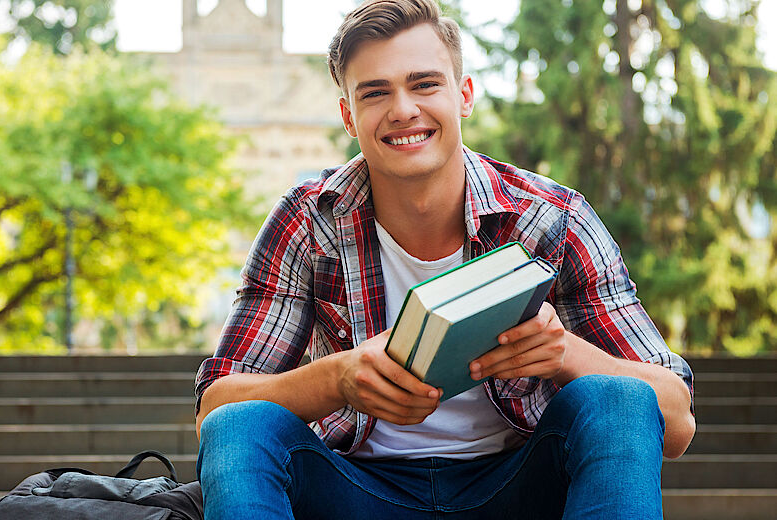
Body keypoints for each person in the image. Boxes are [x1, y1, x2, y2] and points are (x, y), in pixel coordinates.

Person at [194, 0, 695, 518]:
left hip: (519, 487)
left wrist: (563, 353)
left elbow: (675, 420)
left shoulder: (552, 218)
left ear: (464, 95)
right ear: (349, 116)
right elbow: (217, 409)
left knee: (619, 400)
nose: (403, 109)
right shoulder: (308, 220)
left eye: (425, 84)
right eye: (375, 92)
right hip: (355, 490)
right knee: (239, 426)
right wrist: (338, 378)